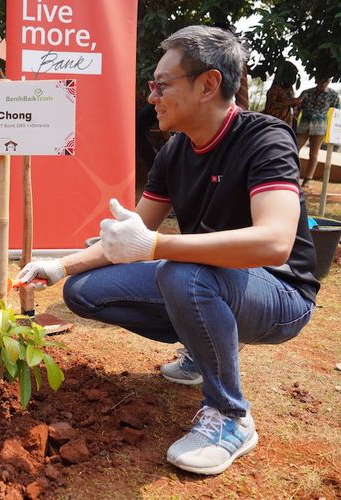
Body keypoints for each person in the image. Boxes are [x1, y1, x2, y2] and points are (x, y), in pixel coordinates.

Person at [18, 26, 319, 475]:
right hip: (209, 278)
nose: (152, 96)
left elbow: (274, 243)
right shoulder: (175, 152)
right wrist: (59, 266)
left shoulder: (264, 139)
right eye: (151, 86)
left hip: (280, 293)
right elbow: (134, 234)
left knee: (184, 273)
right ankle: (203, 349)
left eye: (162, 84)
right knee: (84, 292)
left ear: (208, 84)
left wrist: (157, 246)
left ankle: (231, 417)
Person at [296, 77, 340, 186]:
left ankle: (308, 179)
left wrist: (333, 130)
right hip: (304, 125)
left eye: (326, 81)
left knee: (314, 153)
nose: (323, 84)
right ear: (317, 80)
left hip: (320, 127)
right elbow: (298, 108)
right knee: (294, 148)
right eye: (321, 81)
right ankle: (292, 174)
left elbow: (336, 113)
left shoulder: (333, 95)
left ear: (329, 81)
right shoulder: (306, 92)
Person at [262, 61, 303, 127]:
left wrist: (295, 103)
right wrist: (290, 102)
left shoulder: (290, 90)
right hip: (272, 124)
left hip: (286, 124)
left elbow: (290, 107)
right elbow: (270, 107)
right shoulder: (275, 89)